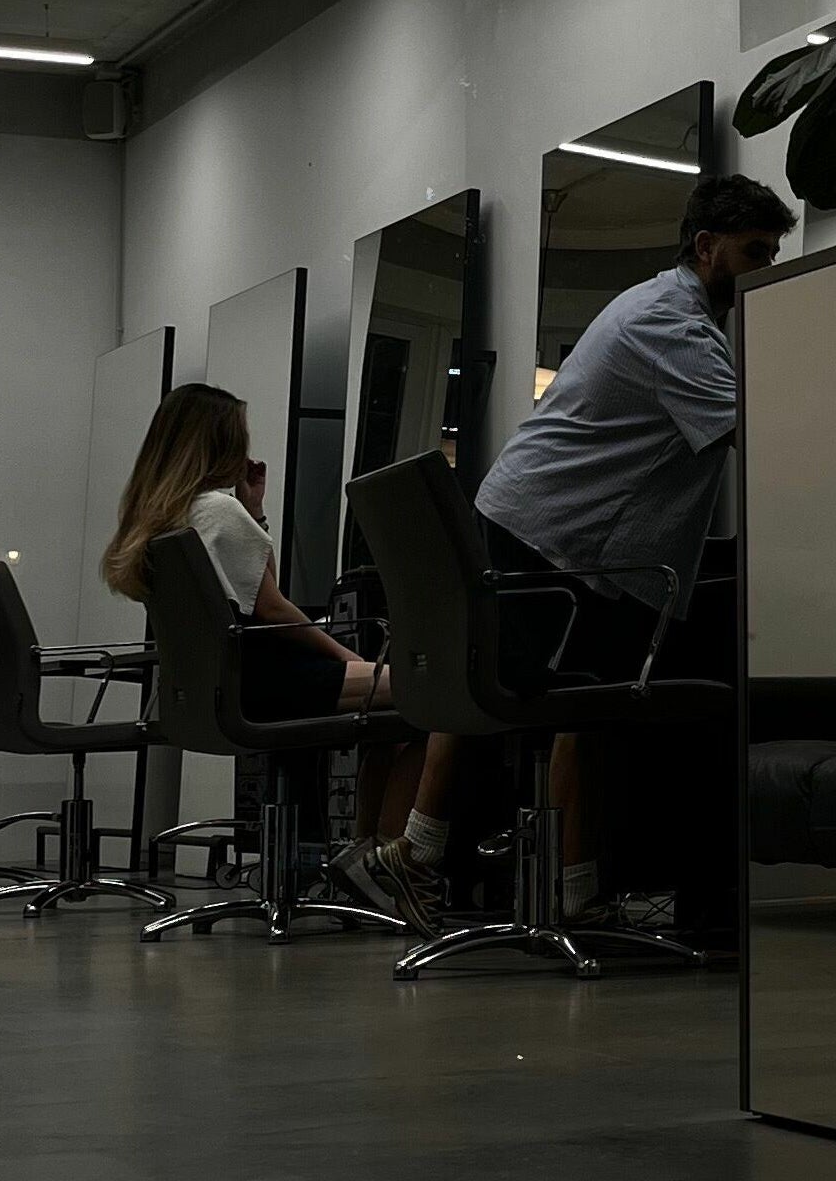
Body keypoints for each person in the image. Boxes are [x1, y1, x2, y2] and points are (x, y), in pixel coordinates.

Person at [334, 173, 795, 936]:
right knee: (566, 702)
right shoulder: (675, 325)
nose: (765, 269)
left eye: (773, 253)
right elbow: (756, 425)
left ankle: (547, 886)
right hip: (555, 537)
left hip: (538, 526)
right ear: (707, 246)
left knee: (567, 705)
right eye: (756, 252)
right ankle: (421, 858)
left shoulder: (656, 306)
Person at [102, 383, 395, 719]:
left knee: (397, 717)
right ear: (222, 444)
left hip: (226, 687)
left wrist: (253, 511)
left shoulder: (165, 520)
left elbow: (256, 589)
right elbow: (272, 608)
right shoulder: (218, 511)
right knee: (430, 688)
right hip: (271, 681)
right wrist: (345, 655)